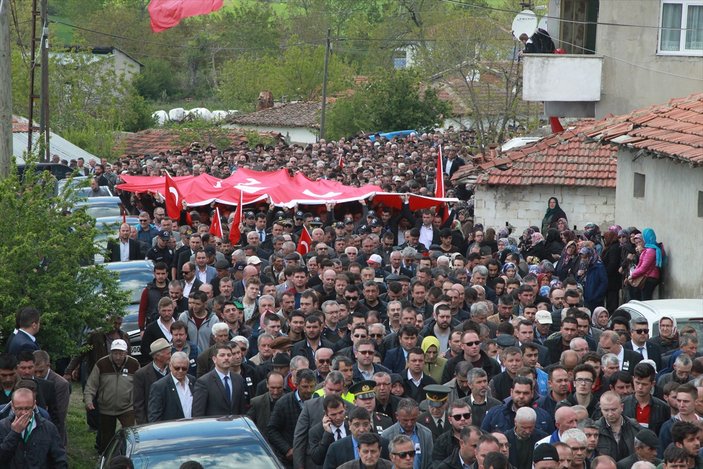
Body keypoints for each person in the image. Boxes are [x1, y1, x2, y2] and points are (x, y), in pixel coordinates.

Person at [83, 339, 140, 453]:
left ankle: (127, 455)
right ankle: (106, 458)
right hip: (106, 407)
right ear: (110, 352)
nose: (118, 357)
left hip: (127, 407)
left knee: (129, 434)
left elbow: (139, 385)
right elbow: (91, 385)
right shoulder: (101, 364)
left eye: (121, 353)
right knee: (106, 438)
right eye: (115, 353)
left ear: (126, 353)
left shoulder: (134, 364)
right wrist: (88, 400)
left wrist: (137, 403)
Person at [0, 388, 67, 467]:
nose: (24, 413)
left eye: (28, 408)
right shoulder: (2, 426)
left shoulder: (48, 427)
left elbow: (59, 459)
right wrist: (14, 433)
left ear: (34, 404)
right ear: (12, 406)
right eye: (19, 408)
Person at [192, 343, 247, 417]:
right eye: (222, 355)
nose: (226, 358)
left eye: (229, 355)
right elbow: (198, 413)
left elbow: (241, 409)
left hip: (235, 426)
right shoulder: (203, 382)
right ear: (214, 359)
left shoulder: (238, 379)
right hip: (214, 427)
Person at [381, 398, 434, 469]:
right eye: (405, 420)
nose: (409, 423)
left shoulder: (426, 434)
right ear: (397, 416)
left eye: (413, 419)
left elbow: (430, 463)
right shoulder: (386, 436)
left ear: (418, 414)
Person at [147, 351, 195, 422]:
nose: (180, 371)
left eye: (184, 368)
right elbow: (154, 417)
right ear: (170, 366)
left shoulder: (193, 381)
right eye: (177, 368)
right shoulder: (159, 386)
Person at [133, 338, 172, 424]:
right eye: (168, 353)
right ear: (157, 356)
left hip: (171, 421)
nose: (170, 356)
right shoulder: (141, 374)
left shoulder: (173, 370)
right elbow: (138, 404)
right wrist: (144, 426)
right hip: (152, 422)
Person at [626, 228, 663, 301]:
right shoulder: (648, 249)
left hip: (649, 278)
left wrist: (632, 275)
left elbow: (643, 267)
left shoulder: (650, 251)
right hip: (648, 277)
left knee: (645, 300)